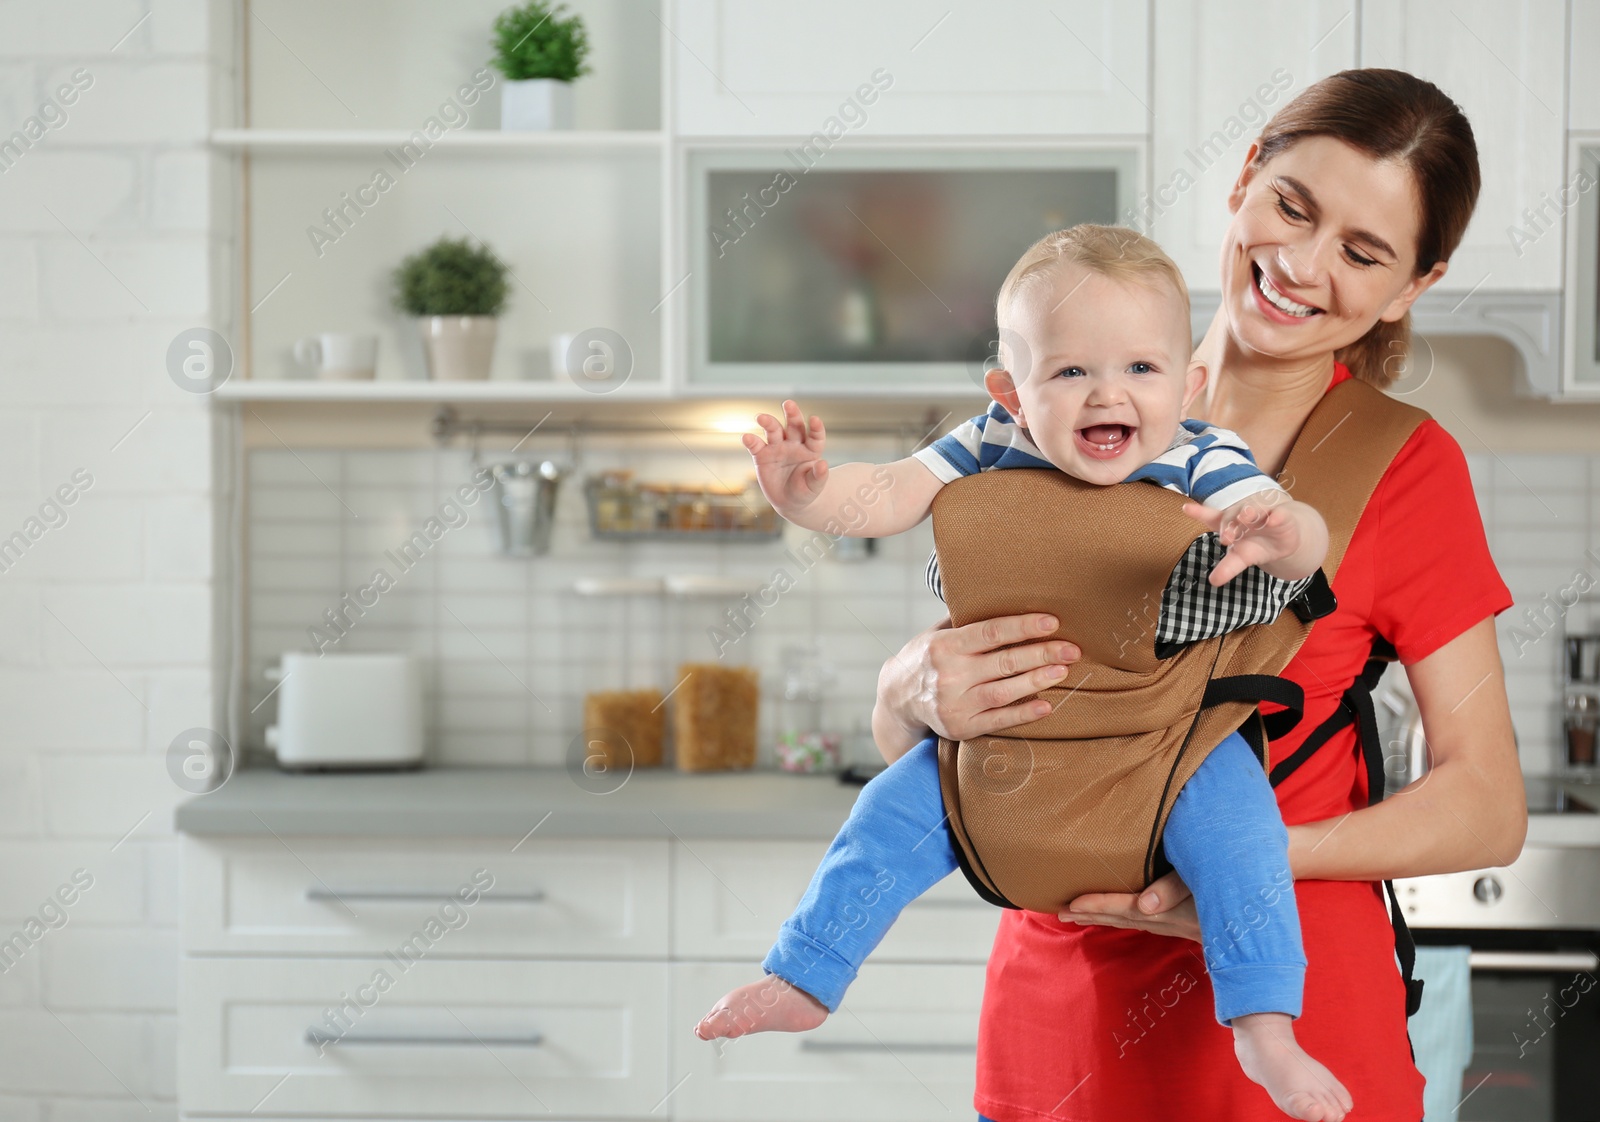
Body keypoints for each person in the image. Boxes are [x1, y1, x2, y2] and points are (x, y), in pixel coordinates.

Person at [865, 69, 1524, 1122]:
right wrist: (907, 688)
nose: (1301, 266)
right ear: (1246, 177)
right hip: (1058, 1007)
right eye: (1292, 207)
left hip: (1287, 1017)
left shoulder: (1404, 467)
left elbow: (1487, 805)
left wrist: (1231, 865)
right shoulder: (1064, 394)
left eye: (1361, 254)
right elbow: (950, 725)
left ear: (1411, 286)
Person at [696, 224, 1351, 1121]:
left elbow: (1295, 537)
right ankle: (806, 973)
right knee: (885, 815)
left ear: (1190, 385)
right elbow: (885, 494)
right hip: (1018, 724)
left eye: (1141, 371)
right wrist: (806, 493)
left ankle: (1266, 1026)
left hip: (1166, 731)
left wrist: (1283, 535)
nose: (1106, 394)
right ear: (1013, 390)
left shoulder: (1203, 454)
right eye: (1070, 372)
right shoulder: (990, 444)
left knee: (1245, 837)